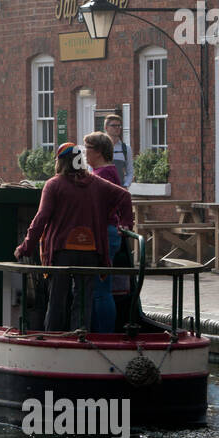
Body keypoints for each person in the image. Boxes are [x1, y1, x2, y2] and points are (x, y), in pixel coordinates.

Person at [14, 142, 133, 331]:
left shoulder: (53, 185)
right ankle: (80, 338)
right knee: (83, 300)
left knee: (56, 300)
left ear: (60, 162)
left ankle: (53, 338)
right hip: (91, 251)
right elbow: (124, 197)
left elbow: (41, 218)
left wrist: (26, 247)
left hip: (61, 252)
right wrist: (126, 223)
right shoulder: (97, 184)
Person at [84, 131, 133, 331]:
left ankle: (104, 334)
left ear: (98, 151)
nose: (84, 153)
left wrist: (126, 222)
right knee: (100, 287)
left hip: (104, 232)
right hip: (105, 231)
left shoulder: (103, 174)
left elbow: (118, 199)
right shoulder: (106, 172)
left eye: (87, 148)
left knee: (101, 288)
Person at [104, 114, 133, 187]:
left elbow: (130, 172)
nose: (117, 128)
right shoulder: (99, 147)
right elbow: (91, 170)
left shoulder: (126, 149)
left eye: (119, 126)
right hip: (102, 190)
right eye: (113, 126)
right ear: (106, 128)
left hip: (119, 190)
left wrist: (126, 185)